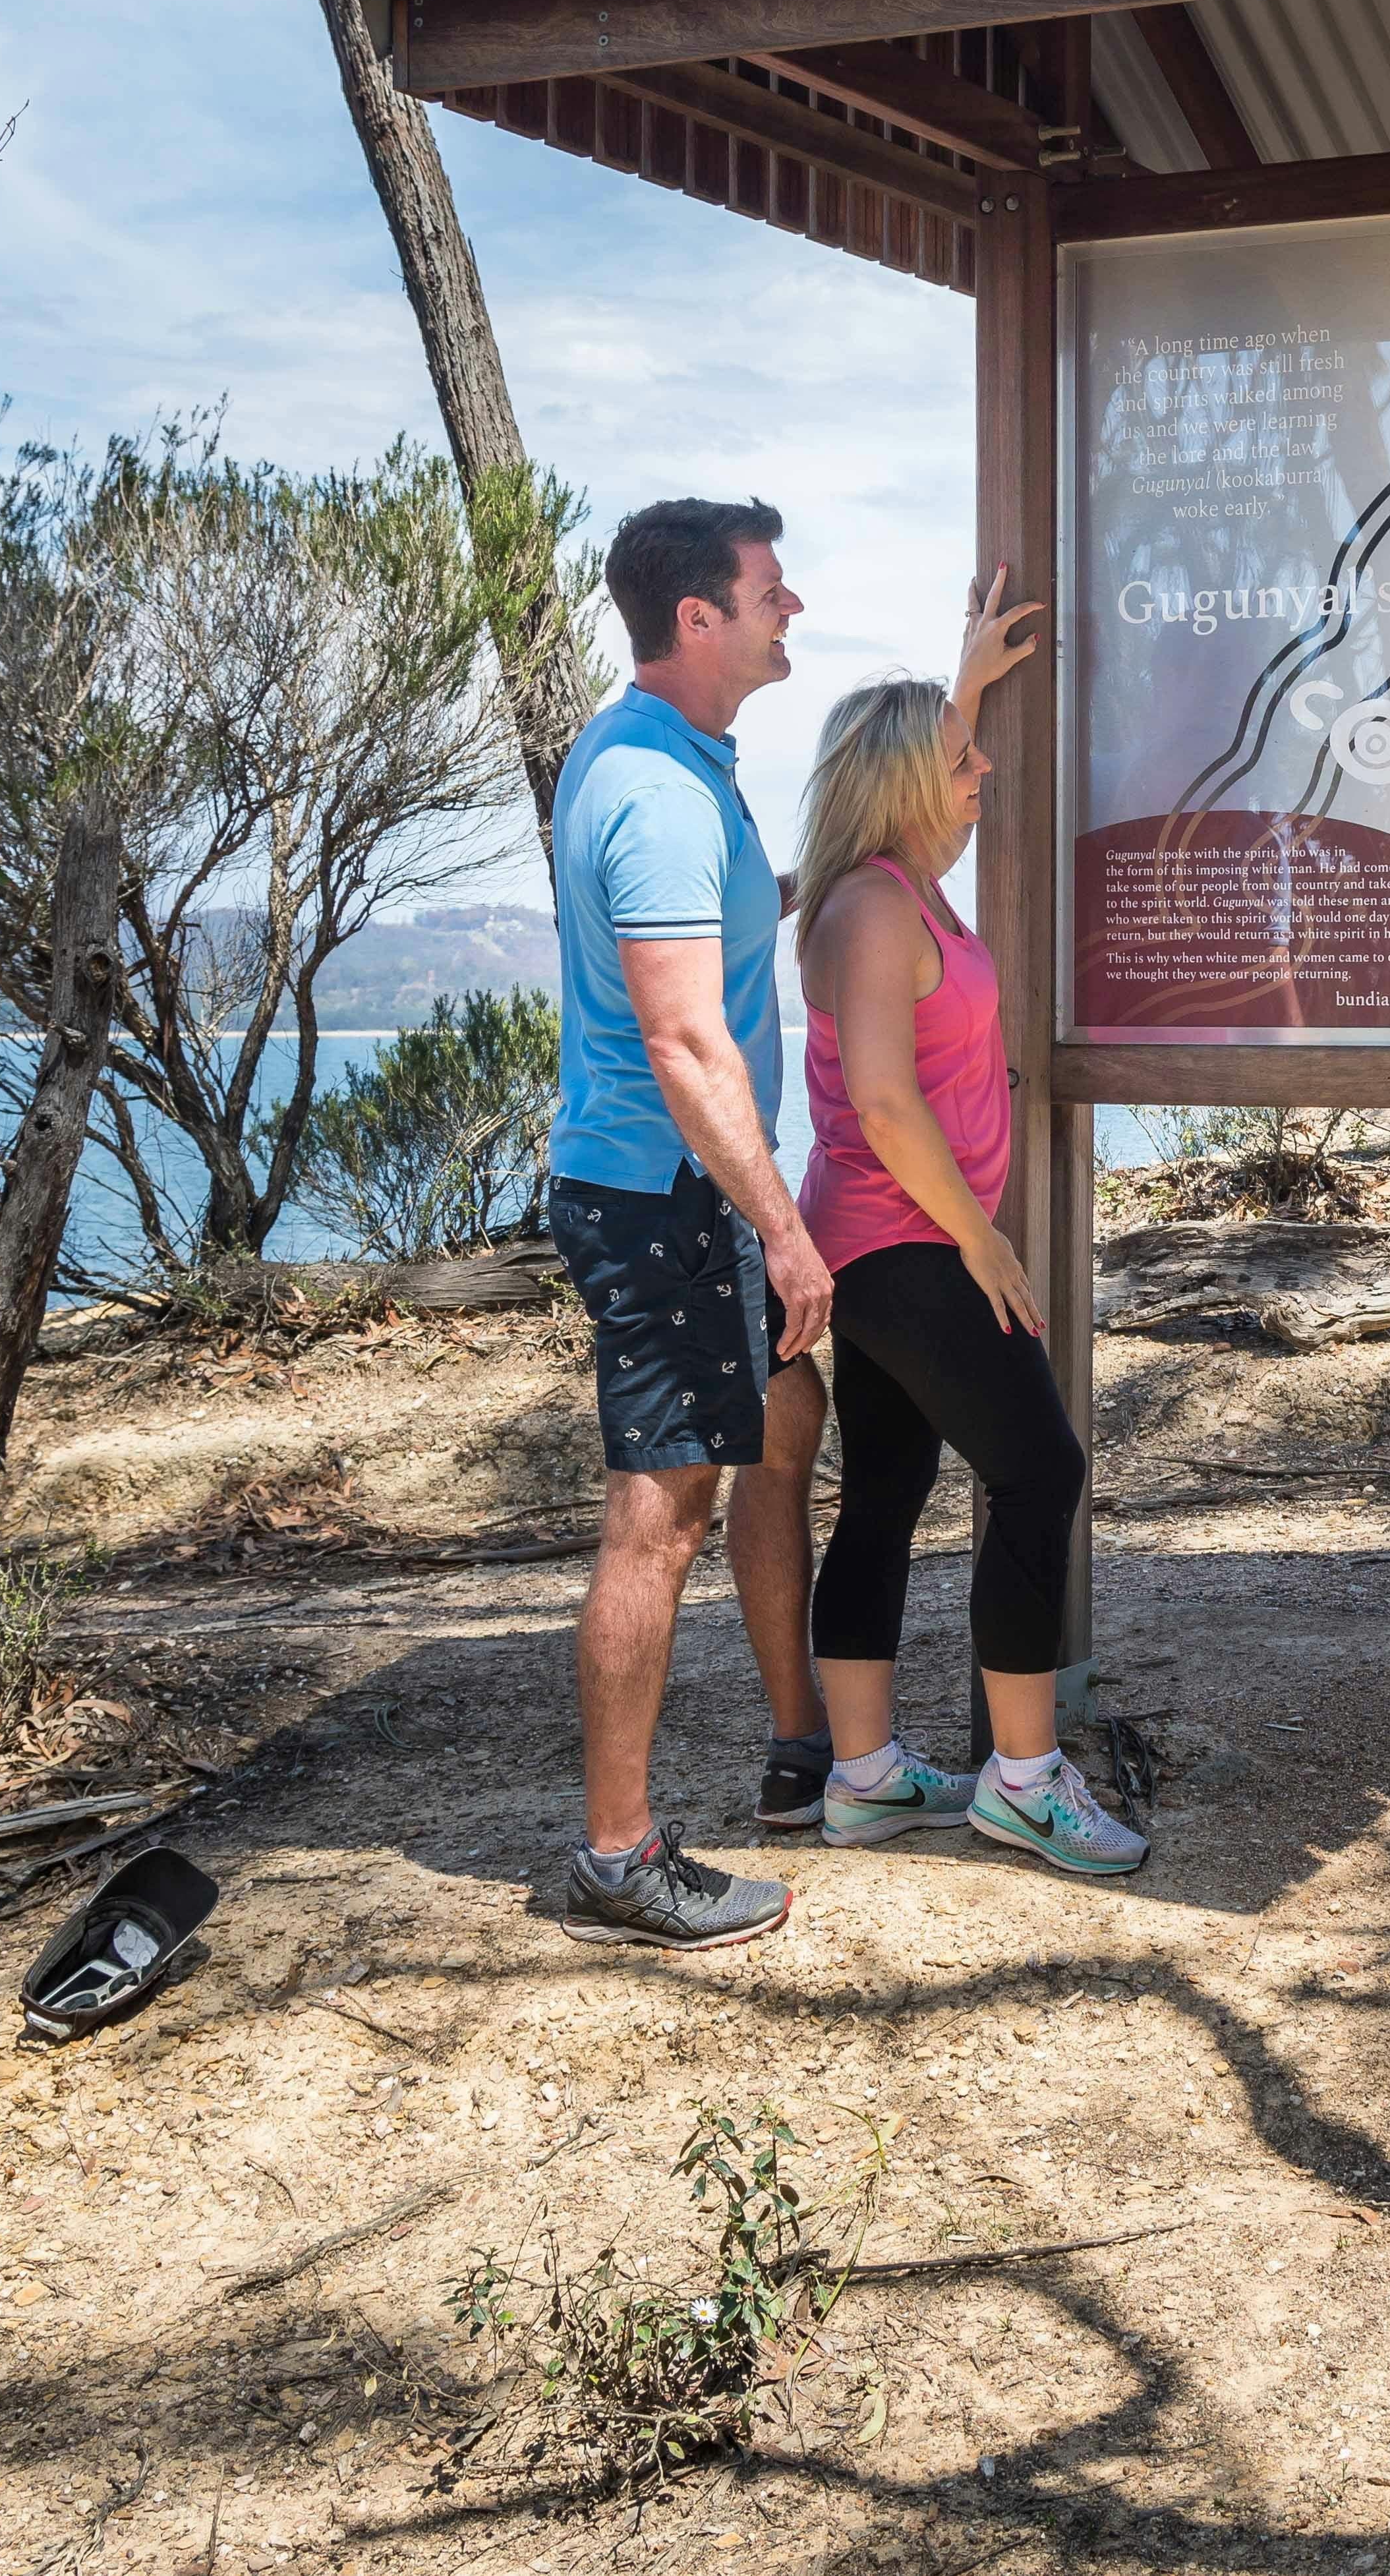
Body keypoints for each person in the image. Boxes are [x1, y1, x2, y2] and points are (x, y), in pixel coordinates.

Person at [792, 670, 1147, 1879]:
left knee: (886, 1496)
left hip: (883, 1242)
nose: (979, 768)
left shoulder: (898, 891)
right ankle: (1024, 1783)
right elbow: (886, 1102)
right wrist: (983, 1240)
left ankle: (867, 1782)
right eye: (960, 758)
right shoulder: (877, 910)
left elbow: (910, 746)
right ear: (901, 783)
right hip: (909, 1244)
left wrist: (970, 668)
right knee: (1040, 1473)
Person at [546, 496, 836, 1951]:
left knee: (756, 1444)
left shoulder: (671, 763)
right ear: (698, 617)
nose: (792, 609)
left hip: (673, 1193)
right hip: (667, 1198)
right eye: (770, 592)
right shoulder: (654, 788)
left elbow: (715, 935)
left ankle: (797, 1748)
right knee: (656, 1519)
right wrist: (781, 1228)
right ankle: (617, 1855)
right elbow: (681, 1040)